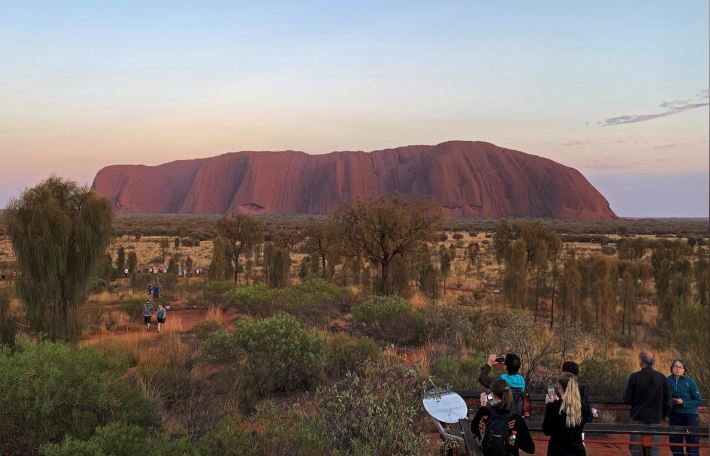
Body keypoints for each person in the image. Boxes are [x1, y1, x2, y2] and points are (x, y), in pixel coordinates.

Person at [623, 350, 671, 456]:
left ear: (641, 361)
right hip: (655, 418)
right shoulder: (661, 377)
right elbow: (668, 400)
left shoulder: (634, 377)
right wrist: (662, 415)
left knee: (636, 448)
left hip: (637, 417)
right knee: (654, 448)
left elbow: (627, 398)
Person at [472, 378, 535, 456]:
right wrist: (512, 438)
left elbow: (474, 430)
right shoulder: (515, 419)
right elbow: (530, 448)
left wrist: (482, 406)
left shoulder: (486, 413)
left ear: (492, 395)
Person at [543, 372, 588, 455]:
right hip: (577, 451)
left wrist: (549, 406)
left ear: (559, 386)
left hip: (557, 451)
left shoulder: (554, 407)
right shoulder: (582, 407)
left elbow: (546, 431)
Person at [667, 359, 702, 456]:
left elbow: (699, 400)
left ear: (684, 369)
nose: (677, 369)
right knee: (675, 443)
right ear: (672, 368)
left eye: (680, 367)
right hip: (674, 415)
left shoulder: (690, 382)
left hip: (690, 416)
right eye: (675, 366)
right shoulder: (667, 380)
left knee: (692, 443)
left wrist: (684, 402)